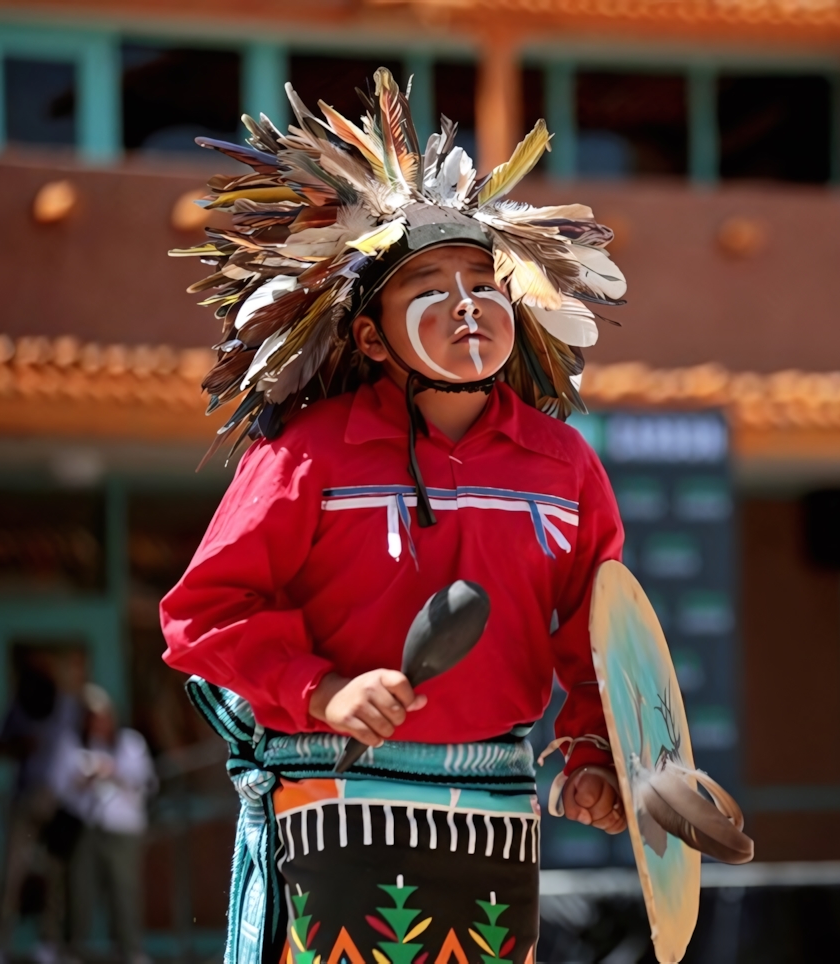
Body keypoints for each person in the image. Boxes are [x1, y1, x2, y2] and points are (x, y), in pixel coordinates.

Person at [160, 68, 627, 964]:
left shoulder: (562, 464)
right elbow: (202, 615)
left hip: (495, 809)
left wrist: (595, 751)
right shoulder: (306, 455)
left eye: (483, 282)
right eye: (430, 287)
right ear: (370, 336)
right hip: (334, 804)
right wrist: (323, 689)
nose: (466, 306)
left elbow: (601, 634)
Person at [54, 685, 155, 964]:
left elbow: (145, 783)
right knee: (80, 891)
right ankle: (72, 951)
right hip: (87, 830)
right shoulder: (74, 745)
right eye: (91, 717)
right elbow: (60, 788)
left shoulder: (130, 743)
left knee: (125, 894)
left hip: (124, 832)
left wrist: (113, 771)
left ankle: (131, 952)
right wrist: (81, 781)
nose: (98, 722)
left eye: (102, 716)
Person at [0, 655, 79, 964]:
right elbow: (3, 744)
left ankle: (49, 944)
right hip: (25, 800)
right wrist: (21, 745)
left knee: (55, 878)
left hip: (59, 803)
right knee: (12, 878)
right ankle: (4, 945)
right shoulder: (21, 706)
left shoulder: (69, 706)